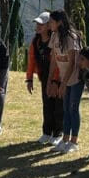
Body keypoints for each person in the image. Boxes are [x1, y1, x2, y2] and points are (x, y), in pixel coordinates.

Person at [47, 10, 83, 153]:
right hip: (64, 78)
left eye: (51, 22)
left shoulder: (70, 37)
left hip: (75, 78)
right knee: (66, 109)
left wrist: (64, 83)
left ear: (60, 22)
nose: (50, 25)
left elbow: (72, 62)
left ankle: (74, 141)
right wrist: (51, 79)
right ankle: (65, 139)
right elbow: (54, 60)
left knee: (73, 108)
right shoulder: (55, 36)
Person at [26, 12, 63, 145]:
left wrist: (55, 80)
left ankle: (58, 133)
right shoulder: (36, 42)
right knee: (47, 105)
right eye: (37, 24)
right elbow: (31, 60)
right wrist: (29, 79)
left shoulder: (56, 39)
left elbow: (58, 62)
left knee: (58, 106)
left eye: (41, 24)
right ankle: (47, 132)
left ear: (49, 25)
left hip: (57, 78)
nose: (38, 26)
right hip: (44, 77)